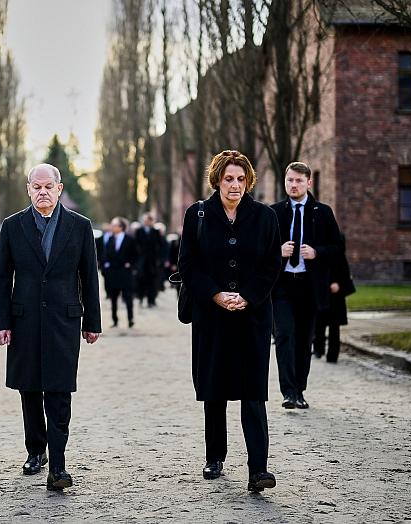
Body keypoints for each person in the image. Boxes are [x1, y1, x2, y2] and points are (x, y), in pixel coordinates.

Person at [0, 163, 101, 492]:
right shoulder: (13, 226)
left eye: (48, 186)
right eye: (36, 186)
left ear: (59, 188)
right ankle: (35, 450)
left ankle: (59, 465)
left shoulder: (79, 226)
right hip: (24, 320)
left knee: (59, 390)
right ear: (28, 189)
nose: (42, 191)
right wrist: (1, 323)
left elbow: (89, 276)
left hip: (63, 320)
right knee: (29, 389)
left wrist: (92, 321)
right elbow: (0, 277)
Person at [176, 150, 281, 493]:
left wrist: (248, 295)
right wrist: (216, 295)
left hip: (253, 316)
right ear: (217, 181)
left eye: (240, 179)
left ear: (249, 181)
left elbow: (270, 266)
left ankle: (258, 469)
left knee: (253, 390)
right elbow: (188, 265)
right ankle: (214, 455)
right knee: (215, 387)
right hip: (211, 315)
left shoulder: (265, 217)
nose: (234, 185)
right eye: (228, 179)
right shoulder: (198, 214)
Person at [271, 161, 340, 410]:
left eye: (299, 180)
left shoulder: (322, 212)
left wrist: (317, 252)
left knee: (303, 340)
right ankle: (288, 392)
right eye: (290, 180)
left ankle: (299, 390)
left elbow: (337, 248)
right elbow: (259, 249)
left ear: (308, 183)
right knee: (284, 335)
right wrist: (276, 251)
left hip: (309, 287)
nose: (293, 184)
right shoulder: (274, 212)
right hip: (282, 286)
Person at [312, 233, 355, 363]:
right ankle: (318, 349)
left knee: (334, 326)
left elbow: (346, 278)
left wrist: (339, 285)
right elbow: (316, 274)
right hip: (322, 295)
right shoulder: (321, 255)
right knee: (319, 324)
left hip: (336, 297)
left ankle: (332, 355)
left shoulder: (341, 258)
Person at [101, 216, 137, 328]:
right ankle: (115, 319)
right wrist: (105, 267)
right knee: (113, 298)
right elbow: (105, 254)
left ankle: (130, 319)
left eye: (114, 225)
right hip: (113, 273)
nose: (112, 227)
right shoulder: (110, 239)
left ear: (121, 227)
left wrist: (131, 264)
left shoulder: (130, 240)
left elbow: (136, 254)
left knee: (128, 297)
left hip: (125, 273)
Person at [135, 212, 163, 307]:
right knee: (141, 280)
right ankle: (141, 298)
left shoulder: (156, 232)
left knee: (152, 282)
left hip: (152, 262)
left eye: (149, 220)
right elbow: (136, 245)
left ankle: (151, 301)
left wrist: (159, 258)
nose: (147, 222)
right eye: (146, 220)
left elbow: (160, 245)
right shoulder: (139, 231)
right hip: (142, 261)